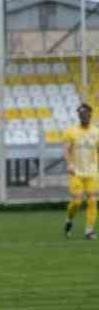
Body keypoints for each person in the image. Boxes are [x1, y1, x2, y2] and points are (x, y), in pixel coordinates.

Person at [63, 102, 98, 240]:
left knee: (92, 201)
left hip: (92, 172)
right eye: (80, 114)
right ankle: (69, 219)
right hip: (76, 172)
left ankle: (89, 231)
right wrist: (69, 163)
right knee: (76, 202)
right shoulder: (71, 131)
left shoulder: (96, 131)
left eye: (85, 113)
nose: (82, 116)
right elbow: (66, 150)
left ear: (90, 114)